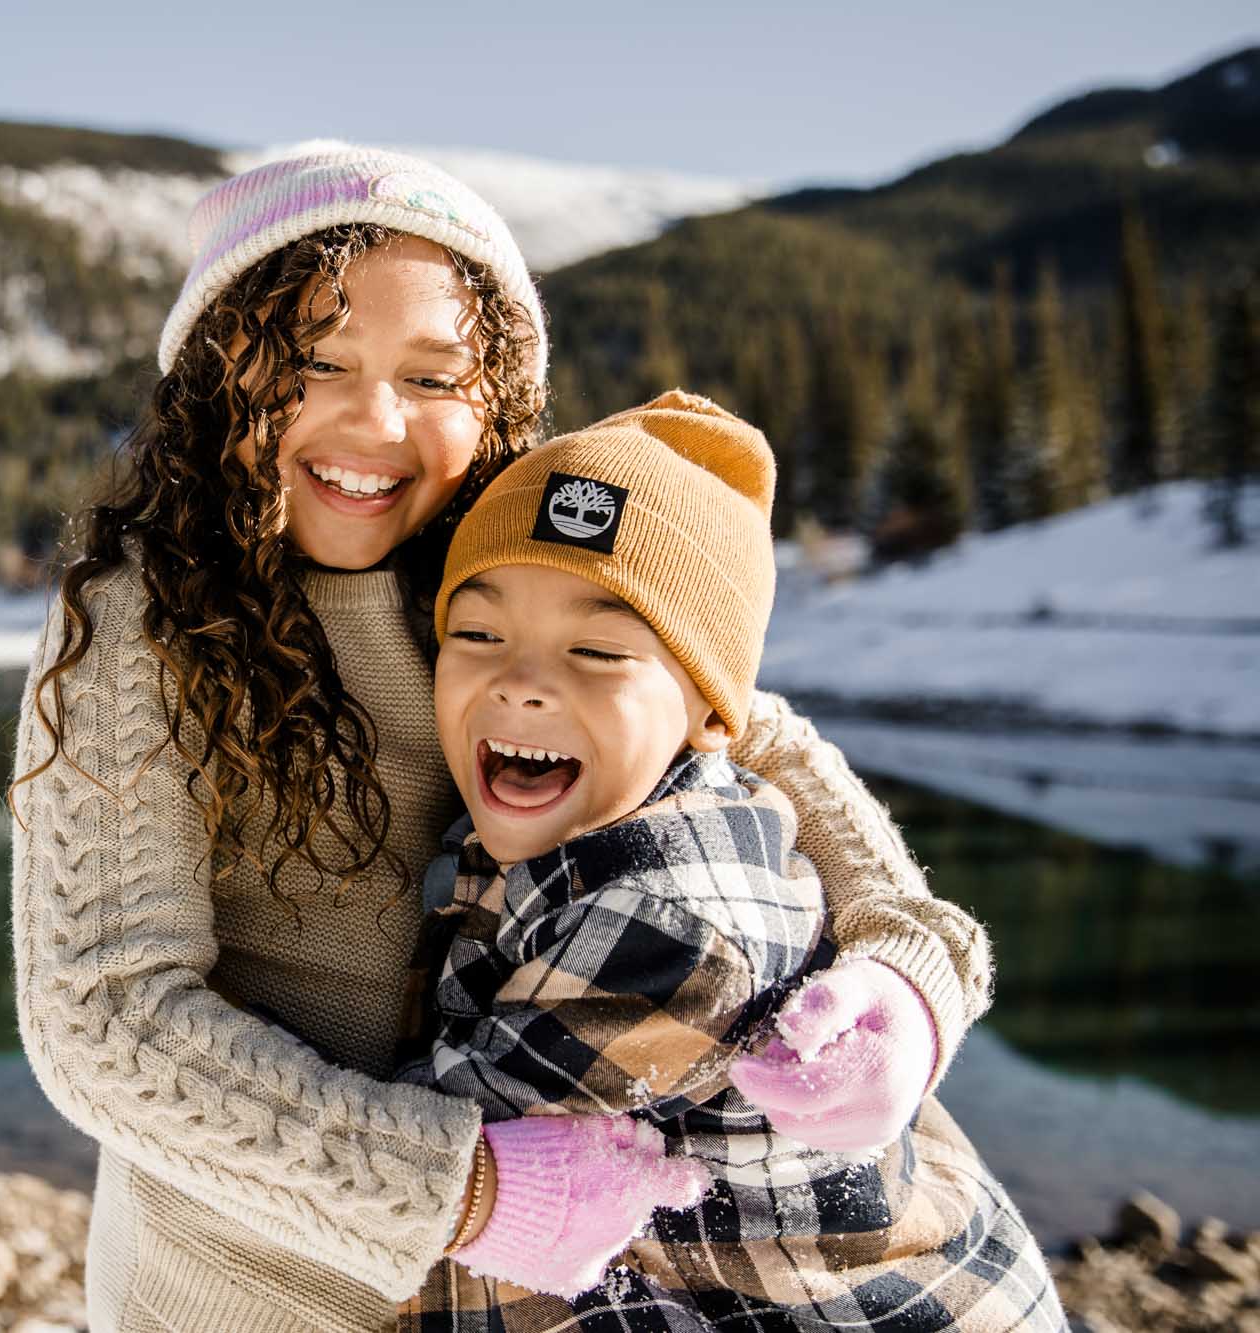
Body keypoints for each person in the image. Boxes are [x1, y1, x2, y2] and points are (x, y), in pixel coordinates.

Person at [9, 144, 992, 1333]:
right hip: (251, 1283)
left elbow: (749, 731)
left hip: (541, 1283)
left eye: (433, 377)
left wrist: (908, 966)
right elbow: (103, 1013)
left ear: (498, 397)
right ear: (219, 377)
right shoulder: (141, 618)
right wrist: (457, 1187)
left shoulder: (504, 559)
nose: (375, 421)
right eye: (317, 363)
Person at [396, 391, 1064, 1329]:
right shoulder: (607, 810)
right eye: (476, 634)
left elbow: (420, 1159)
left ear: (714, 717)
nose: (522, 681)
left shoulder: (670, 927)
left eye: (596, 649)